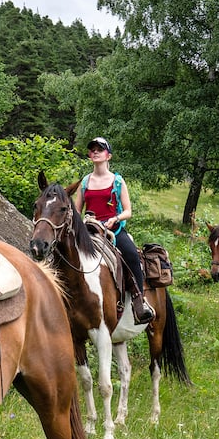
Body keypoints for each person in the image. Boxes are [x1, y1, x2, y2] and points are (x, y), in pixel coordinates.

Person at [76, 137, 155, 324]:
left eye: (100, 149)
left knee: (131, 255)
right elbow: (77, 210)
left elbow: (128, 211)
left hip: (113, 229)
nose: (95, 152)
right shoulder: (85, 182)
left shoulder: (117, 181)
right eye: (92, 149)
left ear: (108, 155)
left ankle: (139, 301)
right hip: (89, 229)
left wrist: (115, 218)